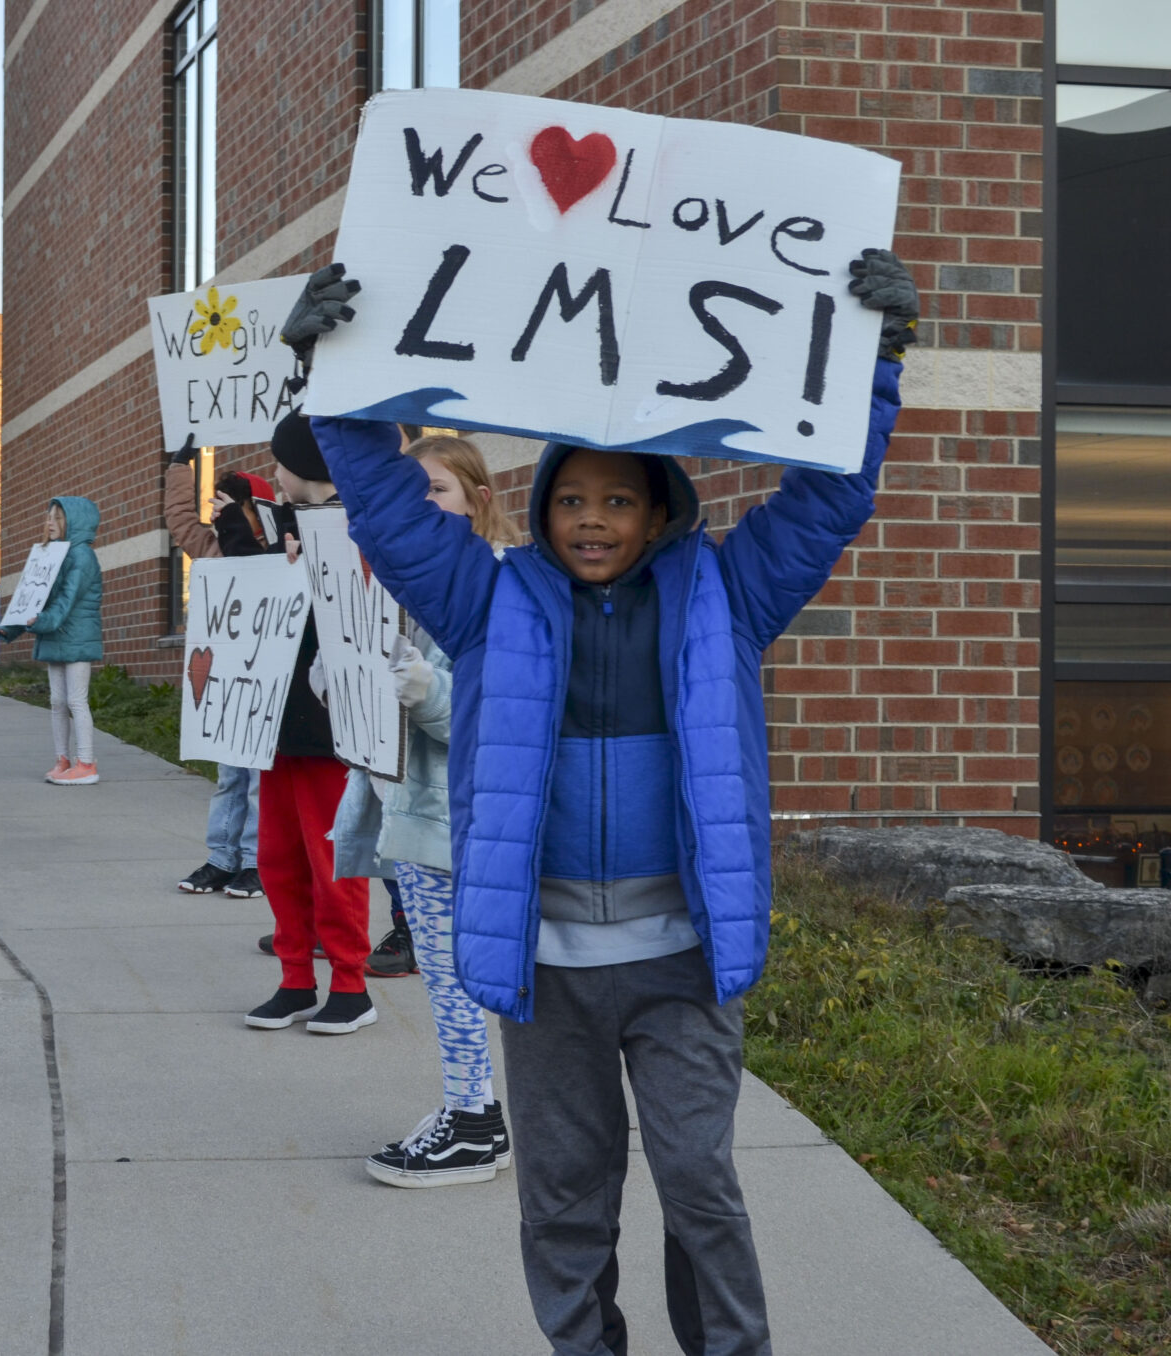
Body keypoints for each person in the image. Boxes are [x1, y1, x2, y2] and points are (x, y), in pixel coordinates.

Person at [286, 249, 917, 1354]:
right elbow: (384, 508)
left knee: (697, 1184)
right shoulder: (486, 598)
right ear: (539, 507)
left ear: (659, 512)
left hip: (680, 963)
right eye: (569, 499)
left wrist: (870, 361)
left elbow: (829, 498)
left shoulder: (731, 590)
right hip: (546, 968)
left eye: (615, 501)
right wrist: (331, 378)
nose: (588, 521)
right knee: (565, 1198)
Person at [328, 434, 521, 1187]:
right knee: (445, 979)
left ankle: (475, 1122)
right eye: (413, 495)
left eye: (436, 490)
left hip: (456, 820)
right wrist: (344, 683)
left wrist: (422, 691)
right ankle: (471, 1113)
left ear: (479, 498)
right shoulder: (401, 589)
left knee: (459, 980)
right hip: (414, 813)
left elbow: (495, 710)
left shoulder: (498, 584)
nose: (423, 507)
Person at [239, 413, 375, 1037]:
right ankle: (295, 977)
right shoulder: (280, 529)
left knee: (332, 859)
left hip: (329, 727)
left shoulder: (360, 526)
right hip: (276, 718)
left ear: (308, 468)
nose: (274, 476)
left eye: (282, 464)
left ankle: (350, 986)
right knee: (278, 856)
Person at [164, 445, 269, 898]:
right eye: (217, 503)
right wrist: (178, 469)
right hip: (226, 685)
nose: (220, 512)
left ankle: (255, 862)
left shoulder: (274, 552)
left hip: (263, 685)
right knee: (230, 776)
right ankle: (221, 857)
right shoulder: (210, 547)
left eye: (232, 505)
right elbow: (181, 520)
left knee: (258, 783)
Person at [0, 496, 104, 785]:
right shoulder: (51, 556)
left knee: (76, 700)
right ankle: (63, 760)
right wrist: (13, 627)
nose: (50, 523)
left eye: (57, 518)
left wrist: (41, 622)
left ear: (75, 522)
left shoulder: (81, 556)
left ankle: (86, 763)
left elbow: (66, 602)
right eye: (49, 517)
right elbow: (34, 598)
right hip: (55, 635)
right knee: (57, 701)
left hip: (77, 636)